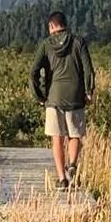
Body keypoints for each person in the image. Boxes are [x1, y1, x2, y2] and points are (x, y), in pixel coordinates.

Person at [30, 11, 95, 191]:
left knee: (57, 138)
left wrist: (39, 96)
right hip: (76, 97)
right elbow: (88, 70)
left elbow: (33, 73)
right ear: (65, 24)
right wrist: (89, 91)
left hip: (54, 97)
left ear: (51, 26)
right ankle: (72, 164)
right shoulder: (78, 42)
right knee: (75, 135)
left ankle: (61, 179)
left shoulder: (45, 45)